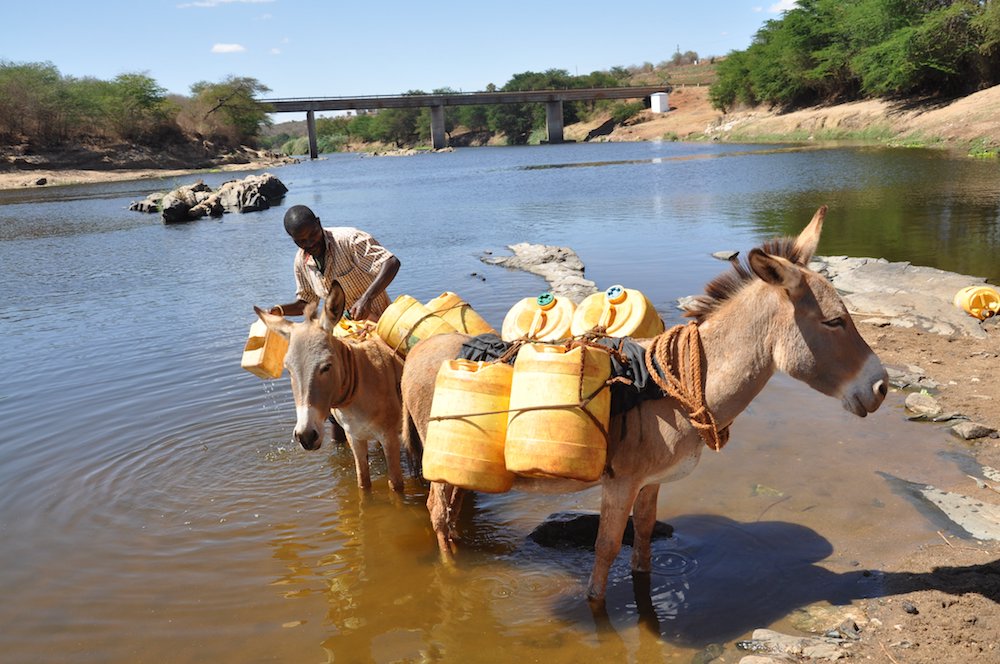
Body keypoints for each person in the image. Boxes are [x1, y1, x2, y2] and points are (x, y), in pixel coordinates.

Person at [269, 204, 401, 322]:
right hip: (347, 330)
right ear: (293, 239)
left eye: (313, 234)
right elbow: (307, 303)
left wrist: (366, 299)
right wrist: (279, 310)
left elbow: (391, 263)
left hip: (383, 323)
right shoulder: (301, 262)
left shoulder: (349, 240)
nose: (310, 243)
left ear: (318, 223)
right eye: (301, 241)